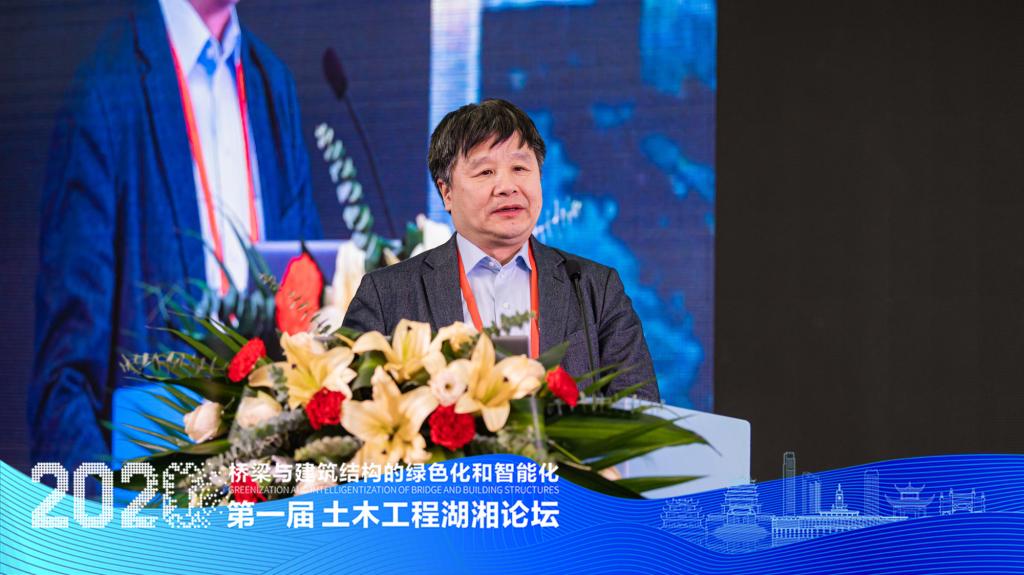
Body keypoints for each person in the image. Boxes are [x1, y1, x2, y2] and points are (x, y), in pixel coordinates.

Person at [28, 0, 322, 472]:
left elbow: (311, 319)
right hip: (150, 489)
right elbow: (66, 382)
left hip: (270, 488)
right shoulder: (106, 85)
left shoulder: (272, 83)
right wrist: (107, 515)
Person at [343, 99, 658, 400]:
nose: (508, 187)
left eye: (520, 168)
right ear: (446, 192)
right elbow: (348, 410)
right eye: (485, 172)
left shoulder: (594, 289)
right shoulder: (387, 295)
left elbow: (641, 411)